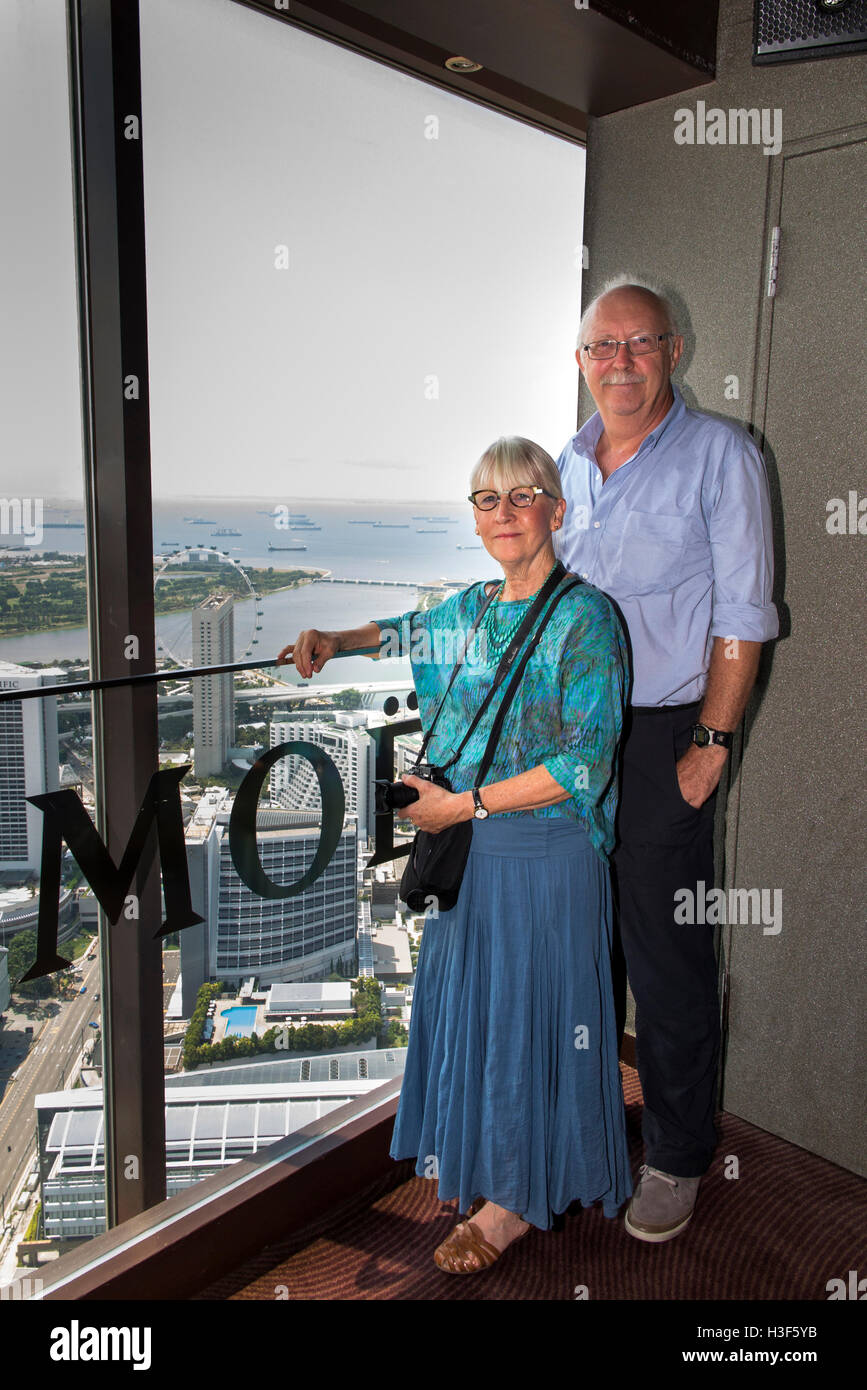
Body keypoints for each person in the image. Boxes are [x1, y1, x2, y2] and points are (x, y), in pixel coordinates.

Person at [278, 437, 632, 1273]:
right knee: (479, 1013)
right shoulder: (468, 610)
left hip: (541, 856)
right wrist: (334, 636)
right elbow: (399, 630)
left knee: (524, 1018)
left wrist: (461, 803)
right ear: (472, 518)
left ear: (556, 508)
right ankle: (488, 1162)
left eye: (520, 496)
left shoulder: (588, 619)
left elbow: (586, 760)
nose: (503, 514)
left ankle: (509, 1203)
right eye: (485, 499)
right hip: (466, 851)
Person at [553, 276, 778, 1243]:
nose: (620, 363)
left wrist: (710, 748)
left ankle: (679, 1155)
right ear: (580, 362)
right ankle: (583, 1130)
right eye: (602, 347)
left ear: (672, 354)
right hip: (570, 743)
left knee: (668, 959)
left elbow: (742, 614)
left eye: (638, 345)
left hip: (662, 739)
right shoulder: (562, 464)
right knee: (578, 950)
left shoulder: (720, 456)